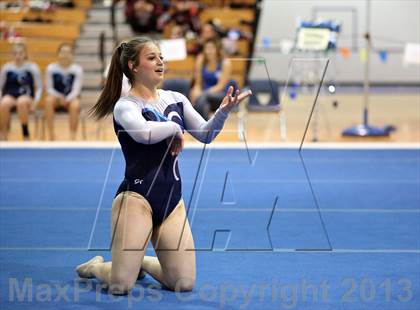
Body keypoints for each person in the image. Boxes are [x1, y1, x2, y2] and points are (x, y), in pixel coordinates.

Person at [75, 36, 251, 295]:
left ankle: (140, 262)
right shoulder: (125, 106)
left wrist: (222, 112)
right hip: (136, 197)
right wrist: (174, 128)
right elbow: (143, 132)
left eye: (161, 57)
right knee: (120, 285)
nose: (160, 62)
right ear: (134, 66)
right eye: (151, 58)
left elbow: (205, 134)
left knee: (183, 282)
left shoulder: (175, 98)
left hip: (171, 199)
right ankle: (95, 267)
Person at [0, 42, 42, 140]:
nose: (18, 56)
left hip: (26, 96)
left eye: (20, 53)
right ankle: (3, 132)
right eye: (15, 53)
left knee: (21, 102)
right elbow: (0, 86)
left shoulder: (32, 67)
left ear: (25, 54)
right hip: (10, 95)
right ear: (12, 54)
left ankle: (25, 131)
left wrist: (35, 103)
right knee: (4, 103)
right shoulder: (7, 68)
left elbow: (39, 87)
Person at [44, 43, 83, 140]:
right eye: (62, 52)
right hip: (56, 98)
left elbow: (76, 89)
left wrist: (67, 98)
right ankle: (51, 134)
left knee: (75, 104)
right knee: (48, 101)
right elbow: (49, 88)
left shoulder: (77, 69)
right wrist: (59, 97)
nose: (65, 55)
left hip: (71, 98)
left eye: (67, 52)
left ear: (72, 55)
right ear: (58, 54)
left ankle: (72, 136)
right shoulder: (51, 68)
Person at [190, 38, 236, 120]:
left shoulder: (225, 63)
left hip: (221, 95)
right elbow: (198, 83)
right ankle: (205, 125)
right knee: (203, 102)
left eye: (211, 48)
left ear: (217, 50)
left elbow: (220, 86)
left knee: (204, 98)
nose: (208, 51)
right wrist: (196, 91)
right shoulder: (201, 60)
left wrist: (203, 93)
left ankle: (199, 123)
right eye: (206, 49)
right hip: (204, 96)